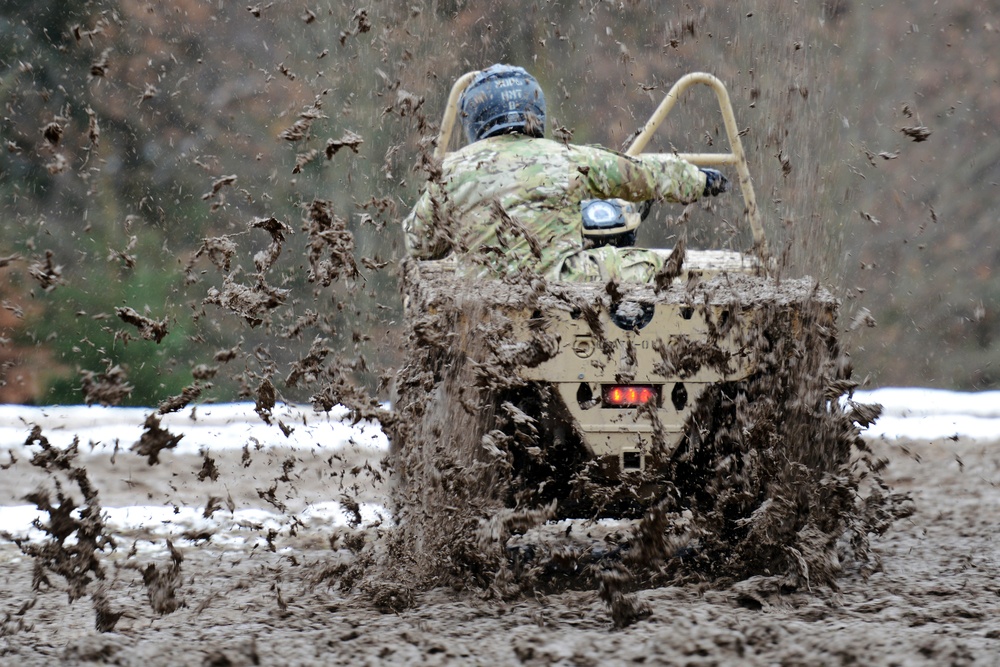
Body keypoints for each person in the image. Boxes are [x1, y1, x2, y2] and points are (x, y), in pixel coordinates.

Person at [402, 64, 729, 282]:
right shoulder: (565, 158)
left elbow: (418, 244)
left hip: (480, 298)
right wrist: (699, 181)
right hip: (559, 287)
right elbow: (637, 175)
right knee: (656, 264)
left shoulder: (449, 172)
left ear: (473, 118)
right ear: (536, 112)